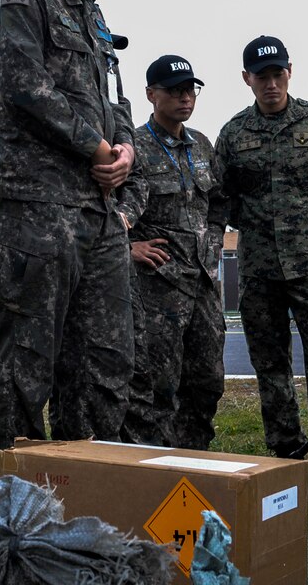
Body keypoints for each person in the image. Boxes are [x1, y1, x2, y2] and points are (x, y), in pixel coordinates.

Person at [0, 0, 154, 450]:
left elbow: (116, 103)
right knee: (27, 363)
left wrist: (124, 149)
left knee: (105, 363)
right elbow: (22, 86)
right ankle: (14, 507)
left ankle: (88, 492)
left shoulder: (93, 14)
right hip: (36, 210)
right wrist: (95, 149)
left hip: (98, 216)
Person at [213, 36, 308, 502]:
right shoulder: (234, 133)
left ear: (290, 73)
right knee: (271, 368)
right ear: (247, 80)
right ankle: (285, 459)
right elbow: (224, 198)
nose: (271, 84)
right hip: (258, 268)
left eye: (278, 74)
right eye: (262, 77)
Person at [117, 55, 225, 450]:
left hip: (201, 284)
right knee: (156, 384)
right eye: (174, 90)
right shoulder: (133, 146)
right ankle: (156, 466)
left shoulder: (202, 145)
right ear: (151, 94)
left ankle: (194, 459)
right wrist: (128, 247)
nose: (184, 98)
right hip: (157, 289)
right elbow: (110, 209)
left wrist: (213, 243)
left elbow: (217, 202)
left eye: (189, 90)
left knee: (207, 380)